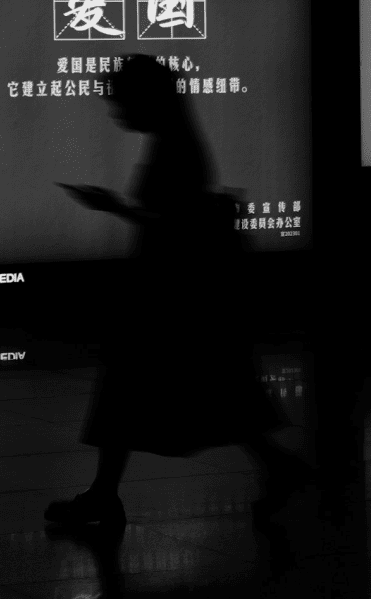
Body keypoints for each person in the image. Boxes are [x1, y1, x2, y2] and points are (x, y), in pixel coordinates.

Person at [50, 55, 312, 527]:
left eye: (120, 100)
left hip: (171, 296)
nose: (115, 110)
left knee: (133, 393)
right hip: (179, 292)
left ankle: (105, 495)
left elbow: (176, 224)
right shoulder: (177, 141)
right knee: (212, 394)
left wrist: (114, 207)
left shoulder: (173, 148)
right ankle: (277, 466)